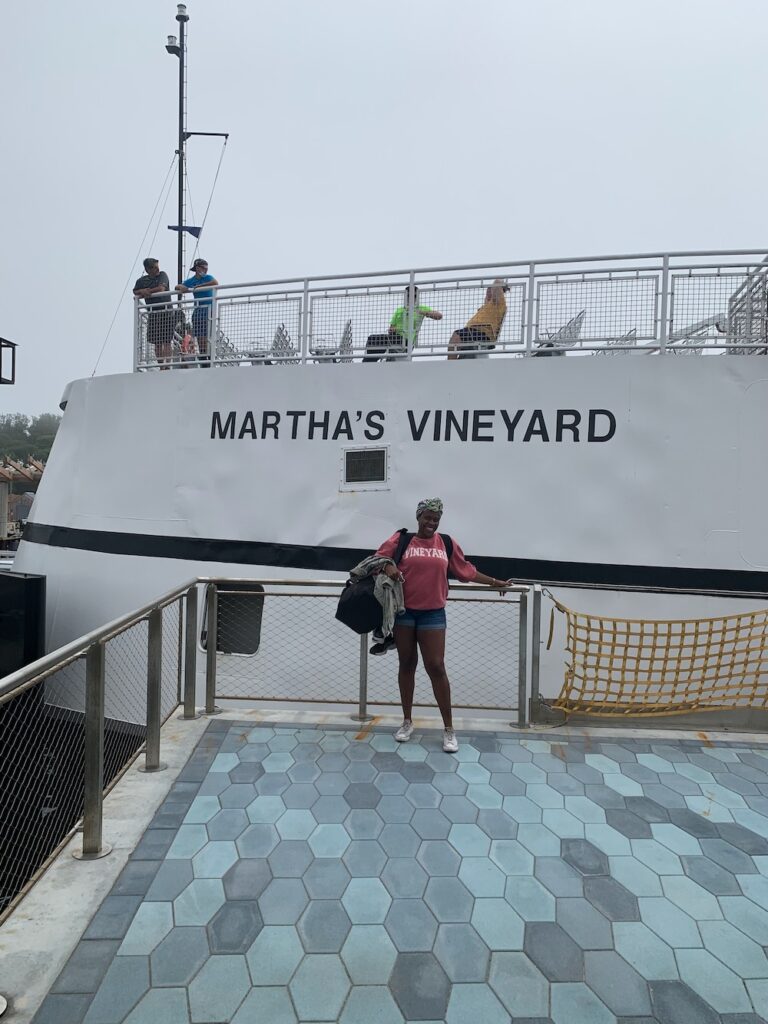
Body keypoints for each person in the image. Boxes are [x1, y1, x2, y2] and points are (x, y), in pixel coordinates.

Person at [375, 498, 512, 753]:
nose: (432, 522)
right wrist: (389, 565)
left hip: (433, 614)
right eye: (427, 517)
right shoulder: (402, 540)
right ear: (418, 517)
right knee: (407, 664)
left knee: (436, 667)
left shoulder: (446, 543)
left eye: (436, 518)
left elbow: (466, 572)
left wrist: (496, 582)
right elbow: (377, 559)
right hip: (404, 612)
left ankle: (449, 728)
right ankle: (407, 721)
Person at [364, 286, 442, 362]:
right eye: (409, 296)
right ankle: (369, 361)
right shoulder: (399, 310)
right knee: (372, 339)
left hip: (408, 340)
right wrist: (392, 329)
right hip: (395, 337)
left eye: (414, 296)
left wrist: (420, 312)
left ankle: (367, 363)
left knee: (378, 341)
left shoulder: (421, 308)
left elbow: (439, 316)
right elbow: (391, 327)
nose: (411, 298)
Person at [447, 279, 508, 360]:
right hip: (473, 332)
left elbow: (497, 282)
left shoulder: (499, 304)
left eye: (491, 289)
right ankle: (453, 362)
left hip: (482, 333)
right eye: (488, 290)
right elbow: (487, 299)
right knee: (455, 341)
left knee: (456, 337)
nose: (488, 291)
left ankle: (450, 365)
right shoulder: (486, 306)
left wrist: (503, 286)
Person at [175, 258, 219, 367]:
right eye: (203, 268)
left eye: (206, 268)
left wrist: (198, 287)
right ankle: (204, 358)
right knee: (200, 337)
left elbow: (215, 282)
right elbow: (177, 286)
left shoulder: (207, 278)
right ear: (197, 268)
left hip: (209, 311)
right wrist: (183, 287)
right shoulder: (192, 280)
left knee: (207, 337)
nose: (205, 270)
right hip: (198, 311)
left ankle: (208, 358)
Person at [133, 258, 173, 368]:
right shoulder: (141, 281)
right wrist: (141, 291)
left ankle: (167, 365)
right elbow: (135, 291)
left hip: (166, 312)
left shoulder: (162, 275)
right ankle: (162, 366)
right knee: (157, 342)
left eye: (157, 266)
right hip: (153, 313)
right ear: (147, 269)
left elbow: (161, 288)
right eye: (154, 267)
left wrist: (147, 291)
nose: (157, 269)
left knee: (167, 341)